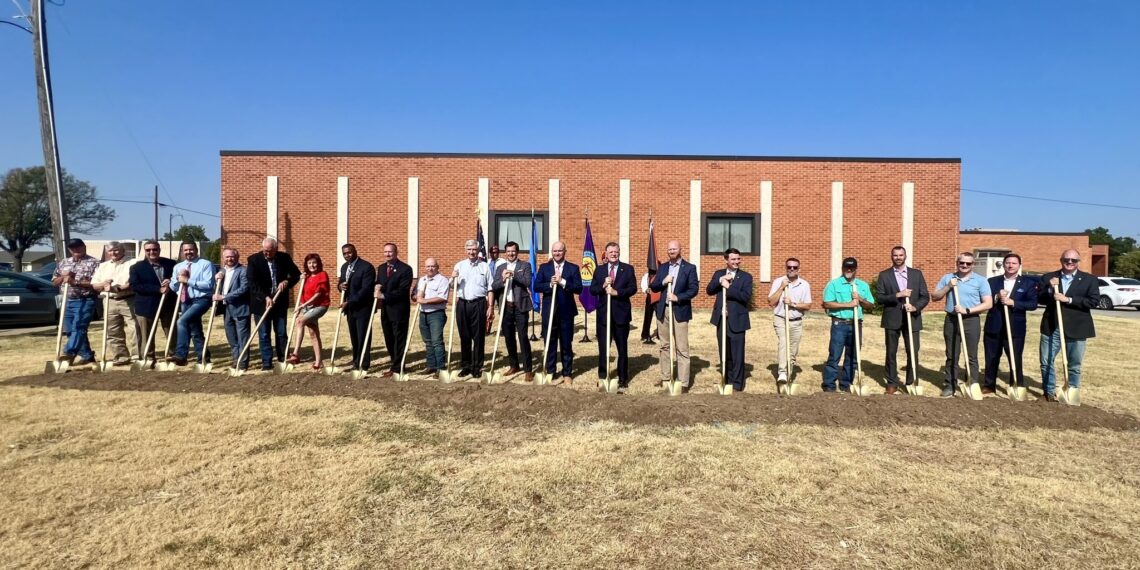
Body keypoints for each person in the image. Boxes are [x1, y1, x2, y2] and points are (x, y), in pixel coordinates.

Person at [1038, 249, 1099, 402]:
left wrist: (1068, 299)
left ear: (1079, 261)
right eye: (1066, 260)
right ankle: (1049, 392)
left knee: (1074, 364)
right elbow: (1040, 298)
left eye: (1073, 260)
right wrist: (1050, 289)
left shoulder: (1089, 279)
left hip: (1077, 327)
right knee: (1046, 361)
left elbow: (1093, 301)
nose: (1070, 262)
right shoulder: (1049, 277)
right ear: (1061, 260)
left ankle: (1071, 391)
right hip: (1052, 326)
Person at [931, 252, 993, 398]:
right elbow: (934, 297)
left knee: (971, 356)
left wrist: (967, 310)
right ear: (957, 263)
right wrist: (948, 286)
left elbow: (988, 303)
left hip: (971, 320)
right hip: (952, 320)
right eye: (962, 263)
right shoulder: (948, 278)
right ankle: (950, 385)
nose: (965, 265)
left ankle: (972, 383)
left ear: (973, 264)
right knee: (952, 355)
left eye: (968, 263)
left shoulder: (981, 281)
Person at [874, 246, 930, 394]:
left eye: (900, 255)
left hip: (912, 318)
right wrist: (898, 295)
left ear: (905, 256)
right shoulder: (884, 275)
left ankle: (911, 381)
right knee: (891, 352)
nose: (898, 257)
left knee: (913, 351)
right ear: (891, 256)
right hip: (892, 319)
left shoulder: (916, 274)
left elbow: (925, 296)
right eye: (895, 255)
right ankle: (892, 382)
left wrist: (915, 307)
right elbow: (879, 297)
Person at [982, 253, 1038, 395]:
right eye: (1007, 263)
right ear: (1003, 264)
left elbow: (1032, 304)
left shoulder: (1028, 283)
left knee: (1015, 357)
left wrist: (1013, 302)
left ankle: (1016, 385)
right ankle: (989, 385)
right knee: (991, 357)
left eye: (1014, 263)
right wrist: (996, 297)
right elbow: (984, 300)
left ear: (1019, 265)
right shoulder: (992, 281)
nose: (1010, 265)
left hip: (1015, 328)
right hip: (994, 326)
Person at [650, 240, 699, 393]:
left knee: (682, 347)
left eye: (674, 249)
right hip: (663, 311)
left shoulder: (689, 268)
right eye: (669, 249)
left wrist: (678, 297)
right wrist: (663, 282)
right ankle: (666, 378)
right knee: (664, 345)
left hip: (679, 310)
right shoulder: (663, 267)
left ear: (680, 249)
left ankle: (683, 382)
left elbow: (694, 289)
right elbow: (654, 286)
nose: (671, 251)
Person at [821, 257, 875, 393]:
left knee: (853, 356)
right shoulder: (834, 284)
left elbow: (870, 305)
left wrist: (860, 299)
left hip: (856, 324)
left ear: (856, 269)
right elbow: (827, 304)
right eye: (846, 267)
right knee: (834, 355)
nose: (849, 270)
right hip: (839, 324)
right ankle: (829, 385)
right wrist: (848, 304)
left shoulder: (863, 285)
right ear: (842, 268)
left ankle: (846, 384)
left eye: (852, 268)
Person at [246, 237, 301, 370]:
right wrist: (265, 297)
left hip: (279, 302)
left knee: (281, 332)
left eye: (270, 251)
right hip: (261, 304)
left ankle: (282, 358)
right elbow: (252, 283)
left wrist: (287, 281)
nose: (267, 253)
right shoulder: (254, 260)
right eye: (265, 251)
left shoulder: (284, 258)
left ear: (276, 249)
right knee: (264, 333)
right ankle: (267, 362)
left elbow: (296, 275)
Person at [590, 242, 637, 392]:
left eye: (616, 251)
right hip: (604, 316)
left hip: (621, 315)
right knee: (603, 348)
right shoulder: (599, 270)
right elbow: (592, 290)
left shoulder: (628, 269)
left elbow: (633, 288)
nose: (613, 254)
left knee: (622, 349)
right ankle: (603, 377)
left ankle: (623, 378)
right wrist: (603, 285)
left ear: (619, 252)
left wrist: (617, 293)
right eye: (610, 252)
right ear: (606, 253)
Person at [535, 240, 583, 384]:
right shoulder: (544, 268)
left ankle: (567, 372)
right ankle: (550, 371)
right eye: (555, 251)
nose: (557, 253)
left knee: (566, 343)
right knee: (549, 342)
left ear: (565, 251)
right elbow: (536, 286)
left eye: (560, 250)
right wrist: (550, 284)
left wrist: (563, 282)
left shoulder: (573, 268)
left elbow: (578, 288)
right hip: (549, 311)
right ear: (552, 252)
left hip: (566, 311)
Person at [707, 248, 753, 392]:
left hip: (737, 320)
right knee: (724, 352)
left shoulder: (746, 277)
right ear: (726, 260)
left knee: (737, 354)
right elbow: (709, 290)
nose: (736, 262)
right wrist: (720, 281)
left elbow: (745, 297)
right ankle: (726, 380)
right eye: (733, 259)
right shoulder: (719, 274)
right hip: (721, 319)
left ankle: (737, 384)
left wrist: (729, 287)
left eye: (738, 259)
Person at [51, 238, 100, 365]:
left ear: (84, 247)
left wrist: (75, 282)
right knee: (70, 331)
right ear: (69, 249)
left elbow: (96, 284)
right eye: (73, 248)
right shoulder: (64, 263)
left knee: (79, 327)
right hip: (67, 300)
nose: (76, 249)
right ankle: (87, 355)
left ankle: (68, 353)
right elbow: (54, 282)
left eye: (78, 246)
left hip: (86, 299)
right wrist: (64, 277)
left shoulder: (94, 263)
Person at [91, 241, 140, 365]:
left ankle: (137, 355)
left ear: (123, 250)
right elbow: (95, 285)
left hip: (129, 299)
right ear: (107, 252)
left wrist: (120, 288)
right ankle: (121, 356)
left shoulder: (133, 263)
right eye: (110, 250)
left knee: (135, 328)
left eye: (116, 250)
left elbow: (135, 281)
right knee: (112, 330)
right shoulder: (103, 266)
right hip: (109, 301)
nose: (113, 253)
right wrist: (104, 284)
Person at [452, 239, 496, 378]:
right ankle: (466, 366)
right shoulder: (459, 266)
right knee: (464, 336)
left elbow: (490, 288)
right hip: (463, 304)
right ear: (466, 250)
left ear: (478, 251)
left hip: (479, 304)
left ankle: (477, 367)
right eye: (469, 249)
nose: (472, 252)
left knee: (478, 337)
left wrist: (490, 306)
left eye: (474, 250)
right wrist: (453, 278)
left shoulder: (484, 267)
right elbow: (452, 286)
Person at [492, 241, 535, 381]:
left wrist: (514, 274)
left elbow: (527, 282)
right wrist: (503, 279)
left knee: (523, 337)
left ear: (517, 252)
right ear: (505, 252)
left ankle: (528, 369)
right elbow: (494, 285)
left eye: (513, 251)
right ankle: (514, 365)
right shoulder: (500, 267)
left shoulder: (525, 265)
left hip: (520, 306)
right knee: (509, 337)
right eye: (508, 251)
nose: (511, 253)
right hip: (506, 307)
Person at [129, 240, 177, 363]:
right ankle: (148, 356)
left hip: (168, 304)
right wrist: (157, 289)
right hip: (146, 305)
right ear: (144, 251)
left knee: (171, 330)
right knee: (146, 333)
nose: (152, 252)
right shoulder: (136, 267)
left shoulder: (171, 264)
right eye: (148, 250)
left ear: (159, 250)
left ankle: (173, 354)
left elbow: (177, 279)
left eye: (155, 249)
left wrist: (170, 282)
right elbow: (135, 286)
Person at [170, 241, 217, 366]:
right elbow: (174, 286)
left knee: (181, 321)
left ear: (196, 250)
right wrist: (177, 280)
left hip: (201, 300)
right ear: (182, 252)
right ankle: (204, 357)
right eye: (185, 250)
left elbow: (208, 284)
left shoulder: (205, 264)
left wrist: (188, 280)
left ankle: (181, 355)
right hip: (185, 300)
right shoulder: (178, 267)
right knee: (194, 329)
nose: (188, 252)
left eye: (191, 249)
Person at [767, 257, 812, 386]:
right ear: (785, 268)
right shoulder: (778, 282)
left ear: (799, 269)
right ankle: (782, 372)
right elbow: (771, 302)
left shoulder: (804, 284)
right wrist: (782, 287)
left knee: (793, 349)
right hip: (781, 319)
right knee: (783, 343)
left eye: (795, 267)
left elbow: (808, 305)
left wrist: (793, 304)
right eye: (789, 267)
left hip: (796, 321)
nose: (792, 269)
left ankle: (788, 372)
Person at [374, 243, 413, 378]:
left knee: (399, 339)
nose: (387, 254)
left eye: (390, 252)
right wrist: (376, 287)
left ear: (396, 252)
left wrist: (383, 296)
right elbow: (379, 283)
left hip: (399, 310)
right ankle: (394, 363)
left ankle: (398, 367)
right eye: (385, 252)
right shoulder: (381, 268)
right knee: (389, 338)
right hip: (386, 310)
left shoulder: (405, 269)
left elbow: (402, 291)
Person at [337, 244, 376, 372]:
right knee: (354, 337)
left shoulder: (366, 267)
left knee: (363, 336)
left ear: (355, 251)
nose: (347, 255)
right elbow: (341, 283)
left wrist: (350, 302)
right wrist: (340, 286)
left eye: (349, 252)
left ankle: (364, 365)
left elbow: (366, 289)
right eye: (344, 253)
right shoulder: (344, 267)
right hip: (350, 309)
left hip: (363, 308)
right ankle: (356, 362)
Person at [288, 253, 330, 369]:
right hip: (307, 307)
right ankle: (319, 362)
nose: (312, 265)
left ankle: (296, 353)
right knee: (313, 333)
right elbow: (303, 294)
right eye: (309, 263)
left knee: (300, 321)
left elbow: (318, 294)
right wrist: (300, 306)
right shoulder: (306, 277)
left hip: (319, 306)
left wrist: (303, 306)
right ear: (306, 265)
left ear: (318, 263)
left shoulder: (322, 275)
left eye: (314, 262)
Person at [213, 247, 250, 371]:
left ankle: (243, 363)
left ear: (237, 257)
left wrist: (224, 297)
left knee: (242, 338)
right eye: (227, 257)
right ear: (223, 258)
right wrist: (216, 280)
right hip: (226, 309)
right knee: (231, 337)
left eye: (232, 256)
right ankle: (236, 359)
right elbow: (217, 288)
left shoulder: (243, 271)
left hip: (240, 308)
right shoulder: (222, 271)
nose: (230, 259)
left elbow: (244, 289)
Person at [415, 258, 450, 374]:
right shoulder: (422, 280)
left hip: (436, 314)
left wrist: (424, 301)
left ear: (437, 267)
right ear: (425, 267)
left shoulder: (443, 280)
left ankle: (441, 368)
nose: (430, 268)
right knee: (428, 341)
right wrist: (417, 296)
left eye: (433, 266)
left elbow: (442, 298)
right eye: (428, 266)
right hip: (423, 313)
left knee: (436, 341)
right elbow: (416, 295)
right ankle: (431, 366)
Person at [639, 269, 661, 344]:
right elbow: (643, 284)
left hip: (659, 298)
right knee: (647, 317)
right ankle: (645, 335)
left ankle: (660, 335)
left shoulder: (660, 274)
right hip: (650, 297)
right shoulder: (646, 276)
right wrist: (646, 290)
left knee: (660, 317)